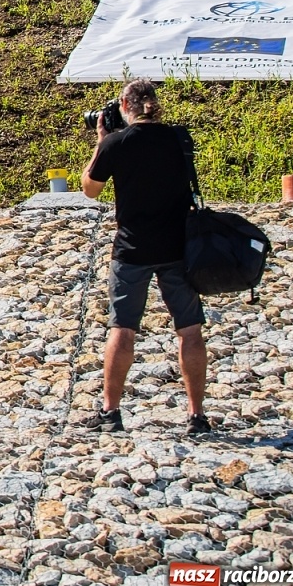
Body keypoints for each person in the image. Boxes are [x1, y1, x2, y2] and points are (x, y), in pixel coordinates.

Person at [80, 79, 211, 436]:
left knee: (123, 328)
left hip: (133, 248)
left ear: (125, 104)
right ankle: (197, 415)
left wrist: (100, 142)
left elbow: (90, 189)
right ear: (153, 103)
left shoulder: (116, 143)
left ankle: (111, 412)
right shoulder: (179, 138)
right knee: (189, 329)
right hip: (178, 246)